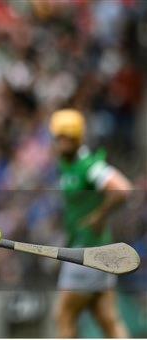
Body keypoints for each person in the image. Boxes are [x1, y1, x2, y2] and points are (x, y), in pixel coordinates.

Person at [49, 109, 132, 338]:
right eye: (59, 137)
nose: (62, 143)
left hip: (87, 252)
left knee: (64, 314)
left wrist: (99, 215)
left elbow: (122, 189)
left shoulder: (88, 166)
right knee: (106, 317)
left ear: (79, 138)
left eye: (68, 137)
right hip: (90, 247)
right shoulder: (68, 165)